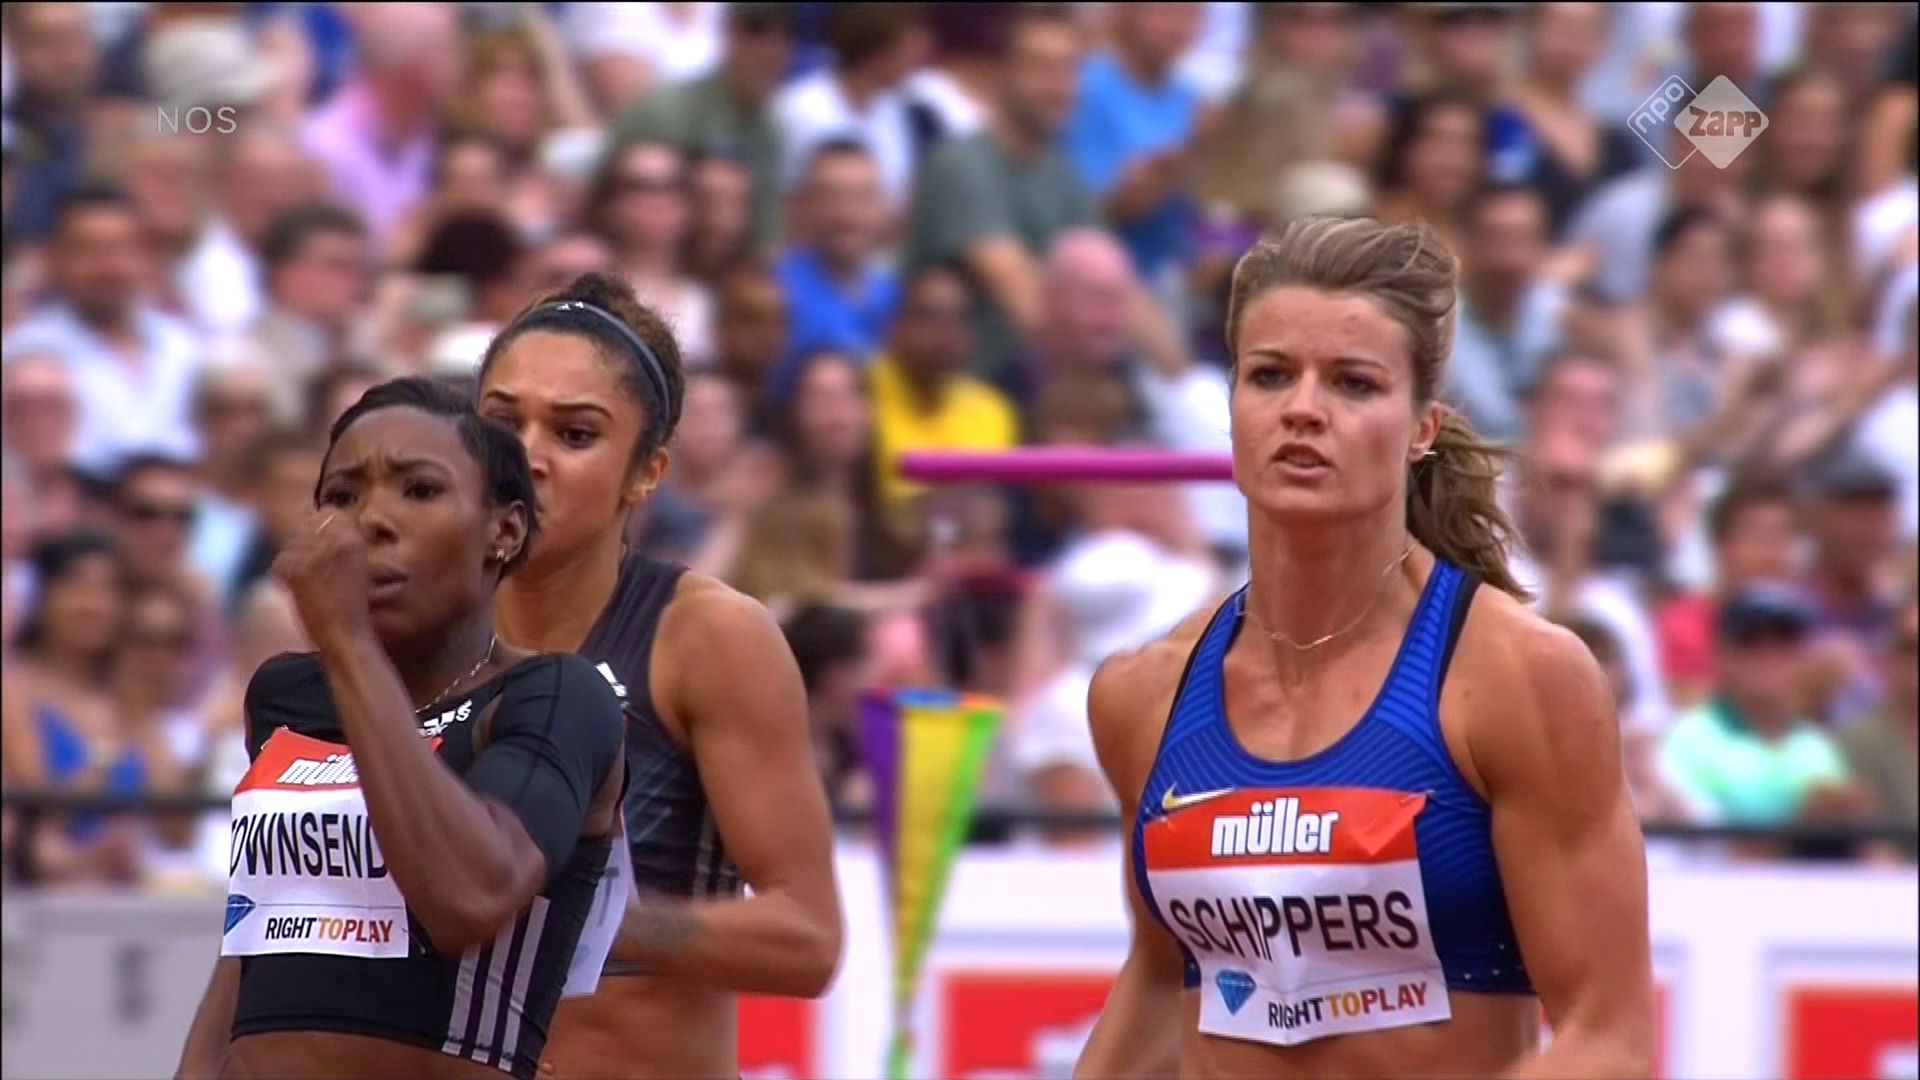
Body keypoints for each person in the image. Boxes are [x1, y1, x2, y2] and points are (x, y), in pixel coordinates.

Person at [1074, 217, 1653, 1078]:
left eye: (1352, 383)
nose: (1303, 409)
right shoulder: (1143, 695)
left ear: (1422, 429)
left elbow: (1610, 1038)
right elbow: (1164, 982)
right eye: (1270, 375)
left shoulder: (1516, 677)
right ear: (1231, 408)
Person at [174, 377, 628, 1080]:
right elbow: (255, 935)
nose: (371, 521)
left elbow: (469, 897)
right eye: (341, 497)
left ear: (504, 532)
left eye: (419, 490)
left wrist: (348, 642)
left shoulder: (556, 697)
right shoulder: (288, 695)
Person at [474, 272, 843, 1078]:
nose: (527, 456)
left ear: (646, 473)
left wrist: (585, 917)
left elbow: (808, 939)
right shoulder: (408, 635)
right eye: (502, 422)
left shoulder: (707, 637)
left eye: (574, 434)